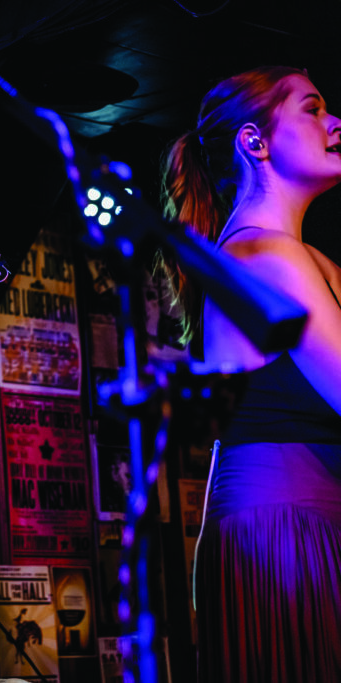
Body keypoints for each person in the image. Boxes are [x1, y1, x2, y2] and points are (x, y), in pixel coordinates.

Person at [161, 66, 341, 681]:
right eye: (313, 109)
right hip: (288, 528)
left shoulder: (305, 257)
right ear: (254, 142)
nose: (335, 122)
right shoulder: (266, 255)